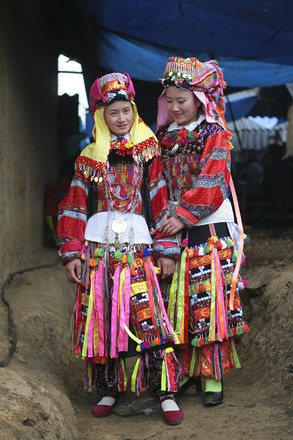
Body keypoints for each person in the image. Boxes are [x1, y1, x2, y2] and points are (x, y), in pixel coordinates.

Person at [57, 72, 184, 425]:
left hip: (138, 250)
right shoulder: (88, 158)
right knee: (103, 316)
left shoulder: (149, 153)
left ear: (134, 110)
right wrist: (72, 251)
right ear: (101, 116)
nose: (121, 118)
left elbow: (161, 201)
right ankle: (109, 388)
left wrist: (167, 249)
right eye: (113, 113)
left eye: (126, 110)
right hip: (99, 252)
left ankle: (165, 392)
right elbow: (74, 206)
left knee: (149, 316)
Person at [154, 57, 250, 406]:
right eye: (169, 100)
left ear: (199, 99)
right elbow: (158, 185)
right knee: (177, 305)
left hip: (210, 228)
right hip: (173, 230)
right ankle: (187, 374)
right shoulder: (163, 139)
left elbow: (212, 181)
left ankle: (211, 377)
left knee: (208, 303)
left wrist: (183, 215)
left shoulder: (215, 134)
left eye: (182, 100)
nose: (175, 107)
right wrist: (166, 225)